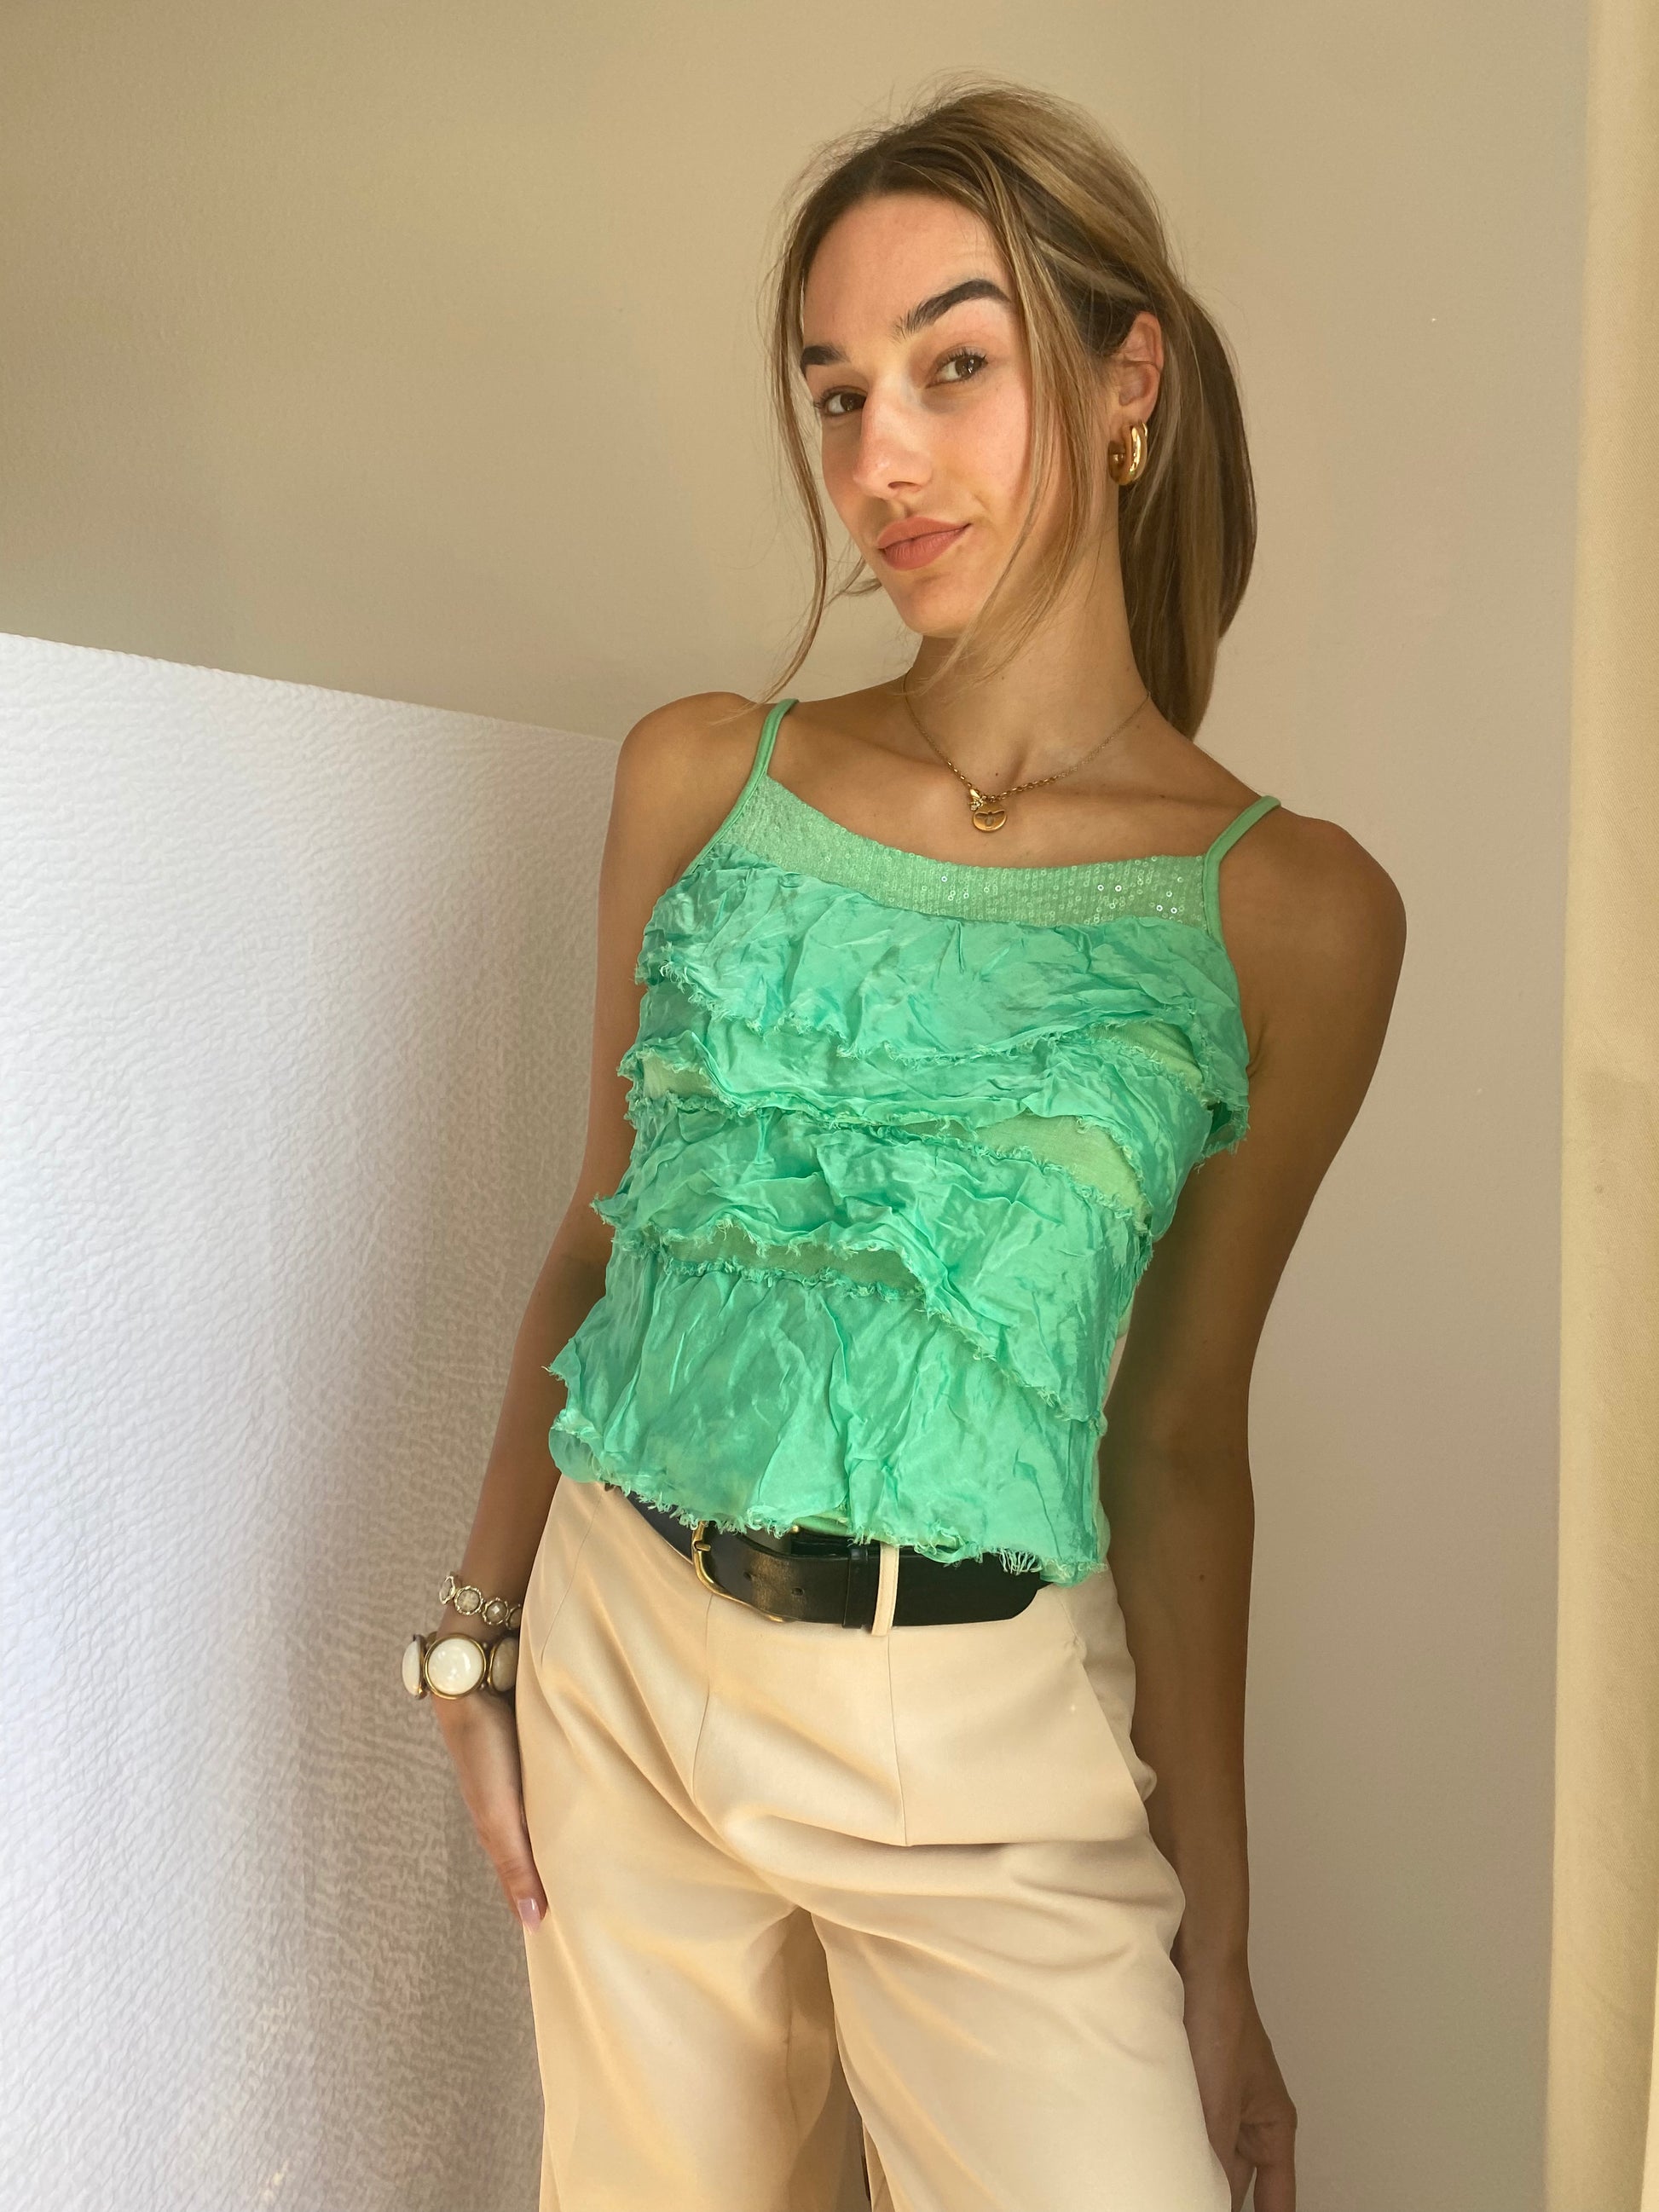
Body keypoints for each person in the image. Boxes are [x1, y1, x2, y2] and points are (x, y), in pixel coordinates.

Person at [402, 77, 1405, 2212]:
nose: (880, 460)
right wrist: (476, 1628)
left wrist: (1217, 1953)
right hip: (624, 1664)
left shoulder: (1289, 909)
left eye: (955, 366)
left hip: (982, 1734)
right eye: (838, 392)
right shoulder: (702, 773)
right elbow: (598, 1229)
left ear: (1125, 381)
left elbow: (1178, 1439)